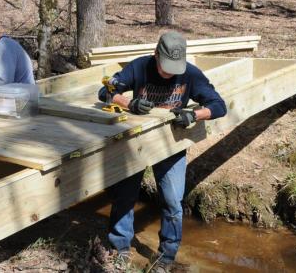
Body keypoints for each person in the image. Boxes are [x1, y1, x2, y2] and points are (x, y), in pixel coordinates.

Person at [97, 31, 226, 272]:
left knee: (172, 201)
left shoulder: (190, 74)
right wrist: (129, 103)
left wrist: (193, 114)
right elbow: (105, 91)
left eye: (173, 68)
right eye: (165, 67)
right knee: (125, 196)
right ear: (156, 54)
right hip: (137, 143)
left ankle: (166, 256)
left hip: (171, 144)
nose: (169, 73)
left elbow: (219, 106)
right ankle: (120, 248)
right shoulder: (139, 67)